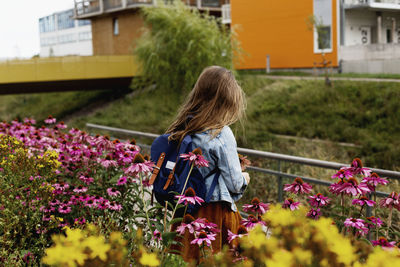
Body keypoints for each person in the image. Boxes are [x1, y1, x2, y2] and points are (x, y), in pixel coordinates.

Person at [166, 66, 250, 262]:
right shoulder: (220, 132)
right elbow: (235, 184)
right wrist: (245, 178)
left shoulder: (184, 127)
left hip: (185, 213)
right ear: (227, 100)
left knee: (185, 261)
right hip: (215, 213)